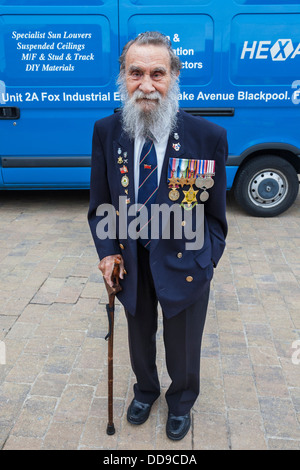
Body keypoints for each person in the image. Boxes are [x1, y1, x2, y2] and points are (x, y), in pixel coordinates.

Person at [88, 31, 228, 441]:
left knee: (184, 343)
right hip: (132, 259)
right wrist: (107, 251)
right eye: (136, 73)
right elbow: (101, 206)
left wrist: (208, 259)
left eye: (157, 73)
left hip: (186, 261)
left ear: (173, 77)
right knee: (138, 333)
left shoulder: (207, 138)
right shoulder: (106, 131)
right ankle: (146, 390)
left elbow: (216, 217)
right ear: (122, 76)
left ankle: (181, 400)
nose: (146, 85)